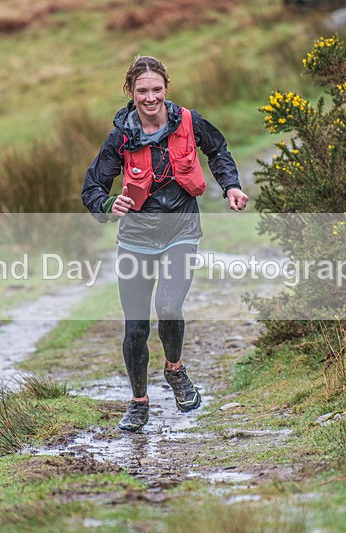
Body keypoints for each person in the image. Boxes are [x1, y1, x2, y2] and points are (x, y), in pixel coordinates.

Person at [81, 55, 248, 432]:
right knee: (136, 328)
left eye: (156, 89)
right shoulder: (121, 136)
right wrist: (109, 204)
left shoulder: (189, 121)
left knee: (169, 306)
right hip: (136, 239)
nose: (150, 97)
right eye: (142, 91)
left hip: (180, 231)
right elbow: (91, 189)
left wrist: (232, 186)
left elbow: (218, 151)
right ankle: (139, 403)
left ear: (166, 88)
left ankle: (175, 370)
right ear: (130, 92)